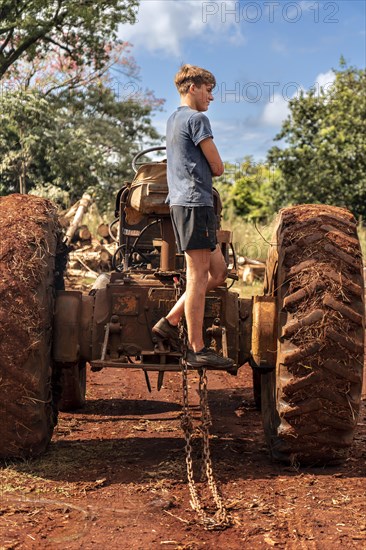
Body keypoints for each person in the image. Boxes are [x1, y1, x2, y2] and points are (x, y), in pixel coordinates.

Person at [152, 64, 234, 369]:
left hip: (186, 204)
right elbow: (217, 167)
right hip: (195, 204)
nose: (211, 96)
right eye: (208, 89)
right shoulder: (198, 119)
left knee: (219, 271)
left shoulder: (173, 119)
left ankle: (171, 319)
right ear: (192, 88)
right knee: (198, 274)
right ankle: (197, 348)